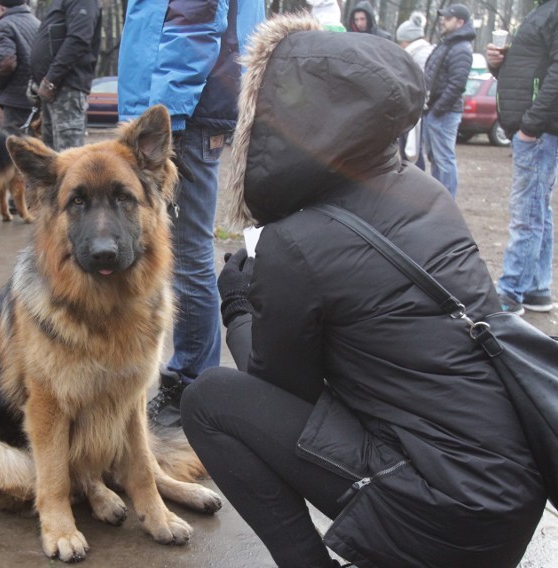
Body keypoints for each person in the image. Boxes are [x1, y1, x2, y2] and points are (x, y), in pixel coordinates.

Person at [180, 15, 546, 568]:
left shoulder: (296, 243)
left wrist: (238, 305)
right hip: (511, 500)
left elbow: (279, 391)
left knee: (209, 400)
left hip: (444, 515)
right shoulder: (425, 192)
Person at [118, 0, 266, 427]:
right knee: (187, 254)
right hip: (184, 111)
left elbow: (194, 24)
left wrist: (168, 120)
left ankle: (191, 385)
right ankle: (192, 378)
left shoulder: (173, 121)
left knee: (186, 257)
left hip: (181, 117)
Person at [488, 0, 558, 315]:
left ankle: (511, 292)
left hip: (538, 131)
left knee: (526, 214)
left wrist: (531, 124)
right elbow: (534, 68)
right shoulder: (542, 11)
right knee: (537, 209)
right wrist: (498, 64)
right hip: (537, 129)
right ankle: (536, 289)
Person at [30, 0, 101, 151]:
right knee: (50, 160)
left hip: (66, 89)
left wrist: (51, 79)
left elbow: (78, 40)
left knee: (68, 158)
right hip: (53, 89)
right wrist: (37, 79)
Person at [422, 3, 474, 198]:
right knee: (437, 159)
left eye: (448, 18)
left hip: (444, 113)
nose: (443, 21)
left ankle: (447, 201)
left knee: (443, 159)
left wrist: (437, 109)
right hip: (436, 110)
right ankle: (440, 199)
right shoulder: (449, 44)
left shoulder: (460, 48)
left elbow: (457, 84)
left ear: (460, 22)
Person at [0, 0, 40, 133]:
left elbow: (6, 62)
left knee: (12, 145)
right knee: (33, 144)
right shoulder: (37, 23)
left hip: (15, 98)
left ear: (2, 7)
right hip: (35, 94)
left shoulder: (4, 25)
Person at [396, 11, 433, 169]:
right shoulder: (415, 53)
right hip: (411, 106)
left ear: (407, 40)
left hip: (417, 108)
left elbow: (423, 82)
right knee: (408, 150)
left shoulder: (422, 55)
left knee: (413, 151)